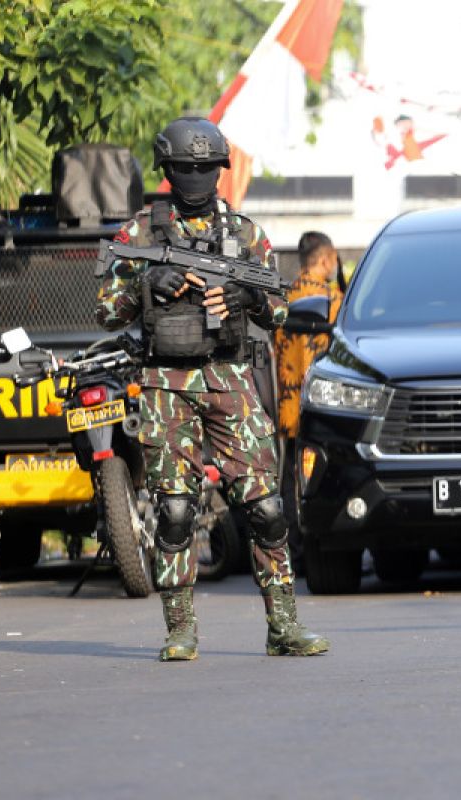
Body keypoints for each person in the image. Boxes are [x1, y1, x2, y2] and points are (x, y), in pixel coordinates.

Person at [95, 116, 329, 661]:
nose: (197, 177)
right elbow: (107, 310)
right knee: (175, 509)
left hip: (230, 376)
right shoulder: (139, 234)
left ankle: (284, 626)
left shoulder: (245, 235)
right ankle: (179, 630)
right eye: (187, 167)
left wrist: (245, 300)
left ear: (220, 170)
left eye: (205, 167)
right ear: (169, 170)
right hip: (164, 383)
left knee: (265, 508)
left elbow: (278, 308)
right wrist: (145, 286)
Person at [273, 231, 343, 439]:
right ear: (326, 259)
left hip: (287, 410)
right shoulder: (335, 300)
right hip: (324, 409)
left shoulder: (282, 298)